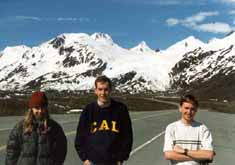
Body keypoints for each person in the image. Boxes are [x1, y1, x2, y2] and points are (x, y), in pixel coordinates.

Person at [75, 75, 133, 165]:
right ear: (96, 91)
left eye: (106, 89)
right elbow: (80, 136)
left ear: (110, 90)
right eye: (100, 89)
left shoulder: (120, 109)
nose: (103, 93)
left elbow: (127, 136)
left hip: (114, 161)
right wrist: (84, 158)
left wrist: (121, 158)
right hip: (92, 161)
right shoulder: (88, 110)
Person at [6, 91, 67, 165]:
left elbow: (61, 151)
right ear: (31, 108)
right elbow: (12, 153)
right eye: (37, 108)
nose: (40, 111)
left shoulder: (54, 128)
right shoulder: (20, 127)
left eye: (42, 107)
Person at [163, 94, 215, 165]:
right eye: (186, 108)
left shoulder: (203, 129)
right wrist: (198, 156)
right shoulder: (171, 128)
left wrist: (184, 151)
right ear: (180, 108)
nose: (189, 112)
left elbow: (208, 155)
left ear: (196, 110)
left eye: (192, 109)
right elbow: (168, 155)